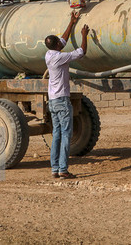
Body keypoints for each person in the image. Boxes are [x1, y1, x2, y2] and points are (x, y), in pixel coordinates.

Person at [44, 11, 89, 179]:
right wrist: (84, 35)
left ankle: (55, 169)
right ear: (57, 46)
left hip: (53, 101)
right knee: (66, 134)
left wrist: (71, 22)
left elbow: (62, 41)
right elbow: (81, 52)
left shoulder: (49, 54)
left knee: (56, 134)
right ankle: (63, 169)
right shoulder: (60, 57)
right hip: (62, 100)